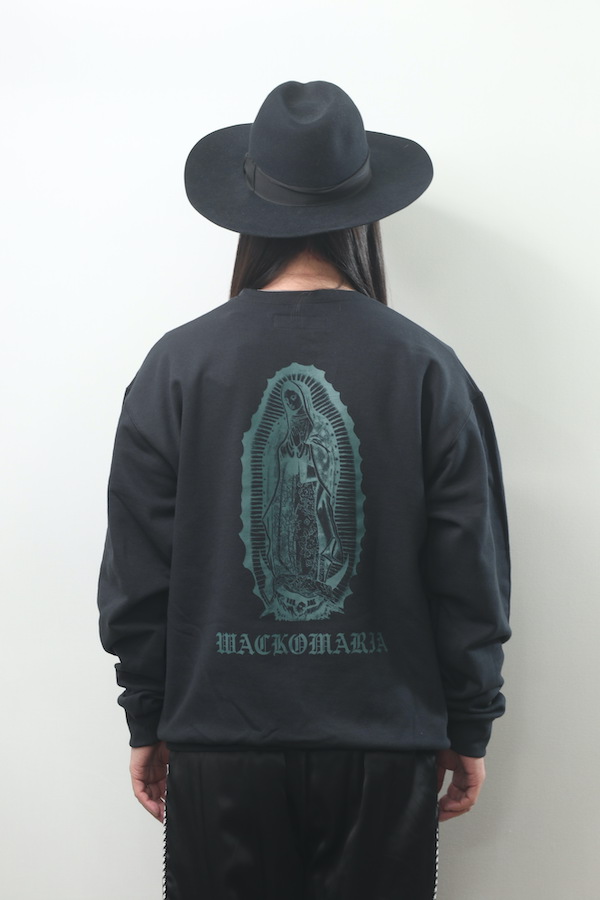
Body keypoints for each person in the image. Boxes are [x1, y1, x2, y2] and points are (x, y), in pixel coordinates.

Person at [97, 80, 511, 900]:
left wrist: (147, 713)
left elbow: (138, 570)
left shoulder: (177, 367)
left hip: (220, 742)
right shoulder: (427, 368)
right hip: (385, 744)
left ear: (249, 215)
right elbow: (469, 568)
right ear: (365, 216)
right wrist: (469, 722)